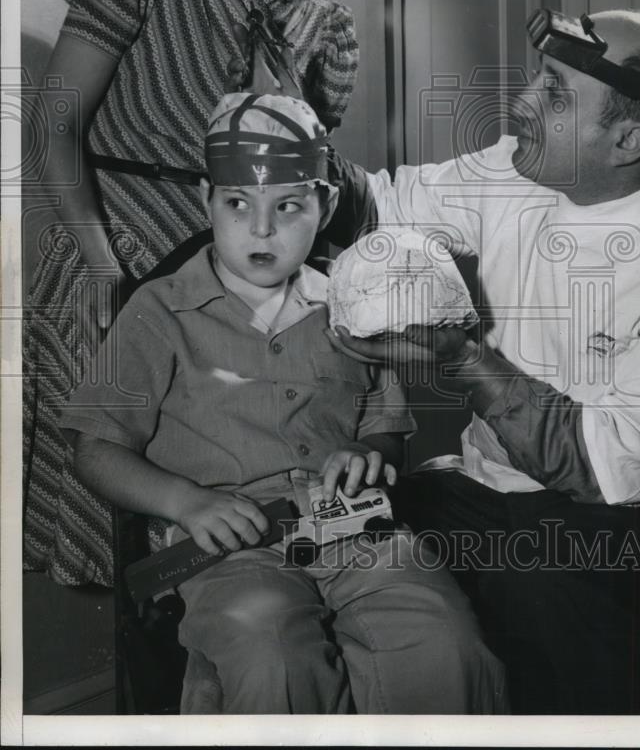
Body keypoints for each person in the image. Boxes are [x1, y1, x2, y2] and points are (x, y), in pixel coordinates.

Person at [23, 0, 420, 586]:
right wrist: (106, 268)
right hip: (117, 254)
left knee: (264, 501)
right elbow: (55, 125)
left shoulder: (321, 32)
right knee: (137, 525)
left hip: (247, 283)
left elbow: (300, 186)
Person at [58, 92, 506, 715]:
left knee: (445, 646)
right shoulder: (157, 314)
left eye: (288, 206)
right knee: (272, 659)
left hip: (359, 532)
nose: (261, 228)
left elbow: (385, 431)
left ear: (323, 208)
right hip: (232, 548)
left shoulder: (353, 307)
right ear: (206, 201)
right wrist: (186, 502)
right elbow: (96, 450)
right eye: (237, 204)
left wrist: (367, 453)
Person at [328, 9, 640, 714]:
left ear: (628, 139)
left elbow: (606, 469)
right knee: (332, 526)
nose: (521, 101)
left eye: (556, 94)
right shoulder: (518, 168)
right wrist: (299, 154)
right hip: (494, 489)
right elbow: (378, 206)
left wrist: (457, 354)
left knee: (527, 579)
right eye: (540, 76)